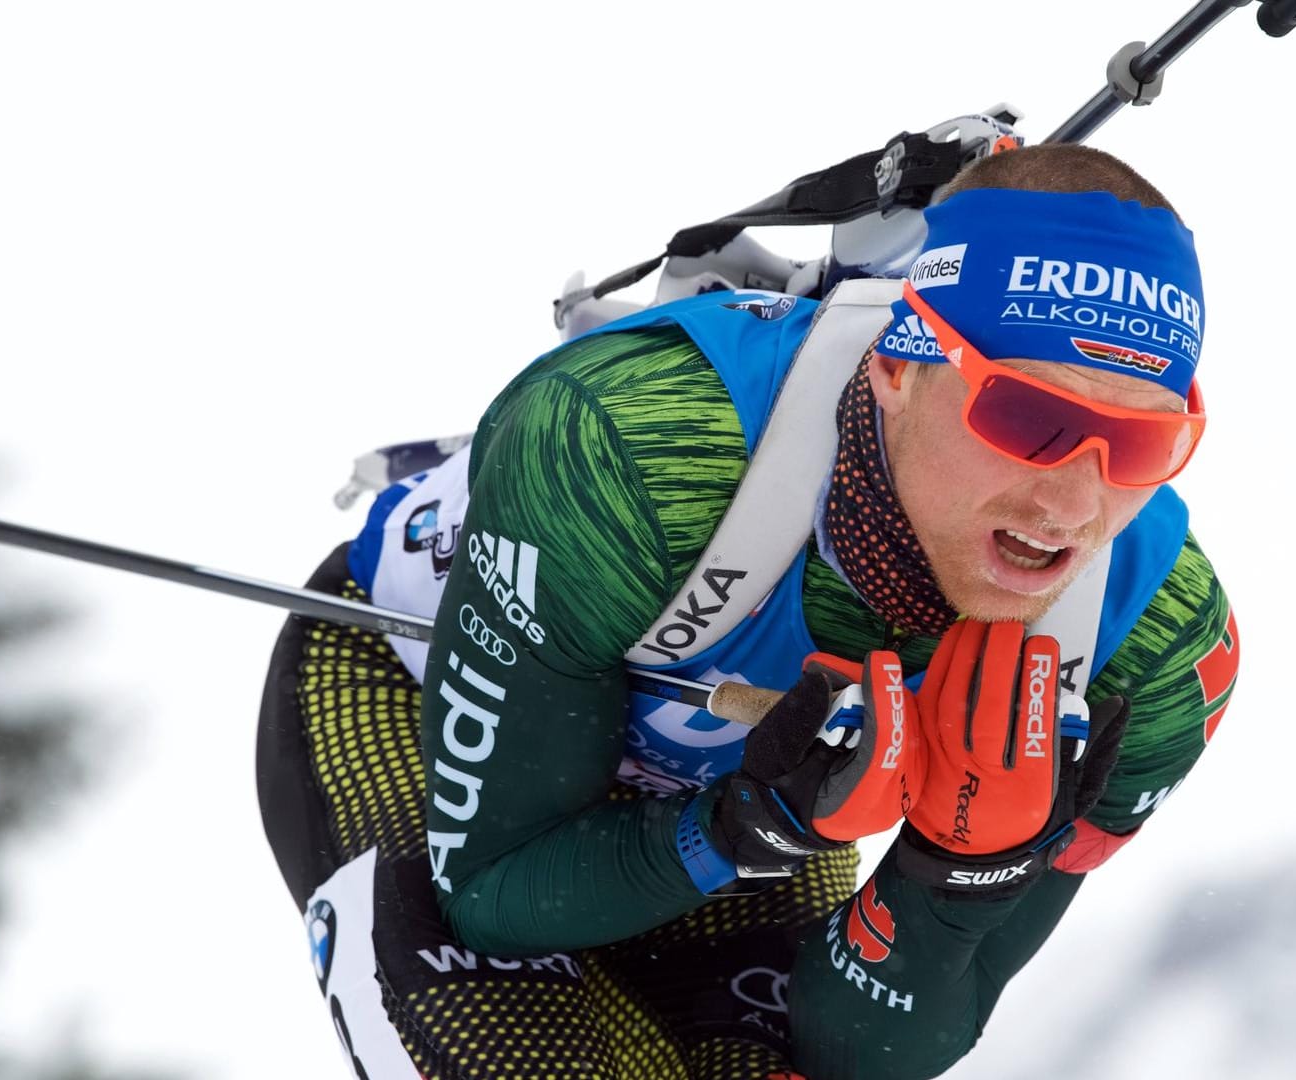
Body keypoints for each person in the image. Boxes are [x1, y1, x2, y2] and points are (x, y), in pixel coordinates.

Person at [256, 142, 1237, 1080]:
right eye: (1029, 418)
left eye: (1143, 445)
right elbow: (493, 898)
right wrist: (740, 826)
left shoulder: (1156, 647)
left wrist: (955, 878)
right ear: (901, 365)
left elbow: (873, 1053)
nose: (1073, 506)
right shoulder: (633, 448)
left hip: (741, 800)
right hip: (405, 690)